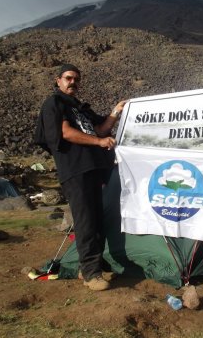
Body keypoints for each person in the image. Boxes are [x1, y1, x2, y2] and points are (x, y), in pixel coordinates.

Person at [35, 63, 126, 291]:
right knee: (86, 221)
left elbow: (101, 129)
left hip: (94, 169)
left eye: (76, 78)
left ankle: (90, 267)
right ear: (58, 80)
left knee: (97, 220)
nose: (72, 82)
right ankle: (90, 274)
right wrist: (98, 142)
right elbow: (65, 132)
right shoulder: (54, 103)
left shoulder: (81, 108)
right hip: (75, 170)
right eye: (68, 78)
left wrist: (116, 111)